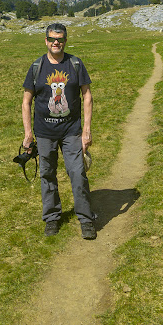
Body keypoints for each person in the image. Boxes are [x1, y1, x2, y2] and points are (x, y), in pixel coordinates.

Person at [22, 23, 96, 240]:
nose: (57, 42)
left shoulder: (75, 64)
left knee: (77, 173)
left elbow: (87, 96)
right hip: (44, 132)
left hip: (72, 130)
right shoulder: (37, 67)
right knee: (47, 174)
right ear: (46, 41)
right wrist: (28, 134)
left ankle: (86, 218)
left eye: (60, 39)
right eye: (53, 39)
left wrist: (87, 131)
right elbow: (26, 102)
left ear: (65, 41)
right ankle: (52, 218)